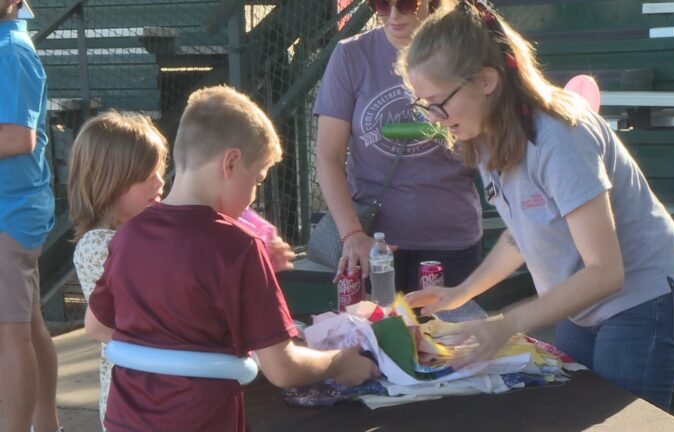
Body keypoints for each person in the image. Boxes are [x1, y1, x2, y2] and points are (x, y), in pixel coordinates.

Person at [401, 1, 674, 410]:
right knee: (568, 410)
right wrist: (460, 293)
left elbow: (606, 272)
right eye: (423, 104)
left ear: (486, 80)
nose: (434, 117)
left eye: (438, 102)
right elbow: (525, 232)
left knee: (621, 419)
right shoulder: (483, 131)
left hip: (641, 299)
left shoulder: (559, 135)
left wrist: (507, 324)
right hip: (582, 305)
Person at [83, 86, 380, 432]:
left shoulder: (128, 237)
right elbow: (283, 368)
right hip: (202, 419)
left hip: (125, 420)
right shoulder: (238, 246)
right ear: (231, 162)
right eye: (257, 180)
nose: (253, 195)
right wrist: (341, 363)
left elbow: (97, 325)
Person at [314, 0, 484, 292]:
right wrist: (351, 233)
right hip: (375, 244)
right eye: (380, 4)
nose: (393, 15)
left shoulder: (462, 51)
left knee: (447, 334)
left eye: (406, 3)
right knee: (381, 335)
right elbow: (328, 155)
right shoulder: (351, 55)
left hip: (452, 240)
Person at [68, 111, 168, 431]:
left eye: (159, 170)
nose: (160, 181)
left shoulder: (154, 232)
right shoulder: (99, 244)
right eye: (146, 174)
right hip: (134, 399)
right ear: (111, 182)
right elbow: (129, 320)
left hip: (169, 389)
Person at [0, 1, 62, 431]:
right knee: (28, 325)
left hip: (11, 213)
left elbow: (18, 137)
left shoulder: (10, 51)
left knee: (10, 335)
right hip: (14, 208)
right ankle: (48, 424)